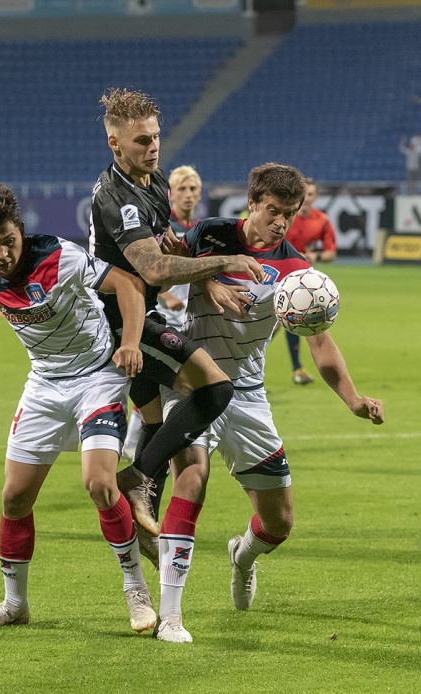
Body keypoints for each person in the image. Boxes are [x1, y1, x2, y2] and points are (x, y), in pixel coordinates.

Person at [152, 163, 384, 642]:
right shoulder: (211, 233)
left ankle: (243, 556)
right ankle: (170, 616)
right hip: (193, 383)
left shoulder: (297, 273)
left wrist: (353, 400)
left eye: (289, 214)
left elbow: (321, 344)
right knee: (191, 480)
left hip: (247, 394)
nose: (281, 222)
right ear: (252, 203)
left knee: (279, 523)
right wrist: (209, 281)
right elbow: (167, 272)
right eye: (273, 211)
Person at [0, 183, 158, 634]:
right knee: (14, 498)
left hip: (97, 377)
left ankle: (136, 589)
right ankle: (15, 604)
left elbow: (129, 284)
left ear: (21, 230)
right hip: (44, 384)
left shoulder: (59, 256)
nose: (2, 255)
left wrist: (129, 343)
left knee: (100, 484)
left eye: (9, 241)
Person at [88, 88, 265, 556]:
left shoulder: (153, 180)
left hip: (134, 314)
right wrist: (224, 262)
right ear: (114, 143)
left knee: (152, 419)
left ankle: (143, 527)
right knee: (216, 388)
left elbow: (169, 244)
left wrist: (207, 281)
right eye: (142, 140)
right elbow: (152, 268)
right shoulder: (116, 197)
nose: (153, 147)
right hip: (115, 322)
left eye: (156, 137)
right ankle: (135, 478)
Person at [122, 164, 203, 463]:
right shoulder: (160, 227)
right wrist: (166, 295)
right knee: (156, 381)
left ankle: (157, 440)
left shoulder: (199, 229)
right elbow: (147, 269)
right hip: (161, 314)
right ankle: (137, 441)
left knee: (174, 384)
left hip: (191, 317)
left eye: (193, 189)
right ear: (171, 194)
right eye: (182, 189)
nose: (188, 194)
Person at [282, 177, 336, 385]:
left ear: (315, 197)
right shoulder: (285, 216)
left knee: (299, 320)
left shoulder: (321, 221)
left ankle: (298, 369)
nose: (306, 198)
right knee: (276, 324)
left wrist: (315, 256)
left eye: (310, 194)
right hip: (278, 275)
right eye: (303, 194)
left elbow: (331, 253)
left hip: (303, 281)